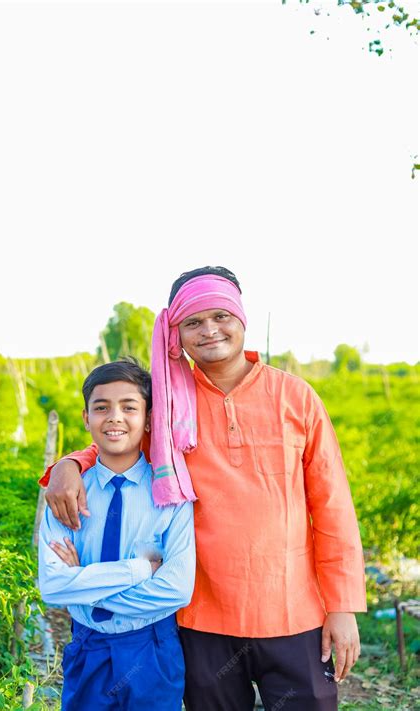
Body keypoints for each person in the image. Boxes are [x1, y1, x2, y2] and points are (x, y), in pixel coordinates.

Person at [40, 267, 366, 711]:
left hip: (294, 613)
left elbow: (332, 505)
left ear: (241, 318)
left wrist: (342, 605)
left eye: (220, 316)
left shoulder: (295, 397)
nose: (209, 330)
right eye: (193, 322)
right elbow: (121, 438)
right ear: (176, 332)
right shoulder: (171, 401)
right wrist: (70, 463)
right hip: (203, 616)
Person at [38, 359, 195, 711]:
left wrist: (83, 584)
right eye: (101, 407)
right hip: (88, 645)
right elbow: (52, 586)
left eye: (129, 407)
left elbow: (176, 588)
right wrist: (138, 572)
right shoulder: (66, 495)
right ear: (85, 417)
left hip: (152, 647)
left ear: (149, 417)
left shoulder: (171, 494)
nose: (114, 418)